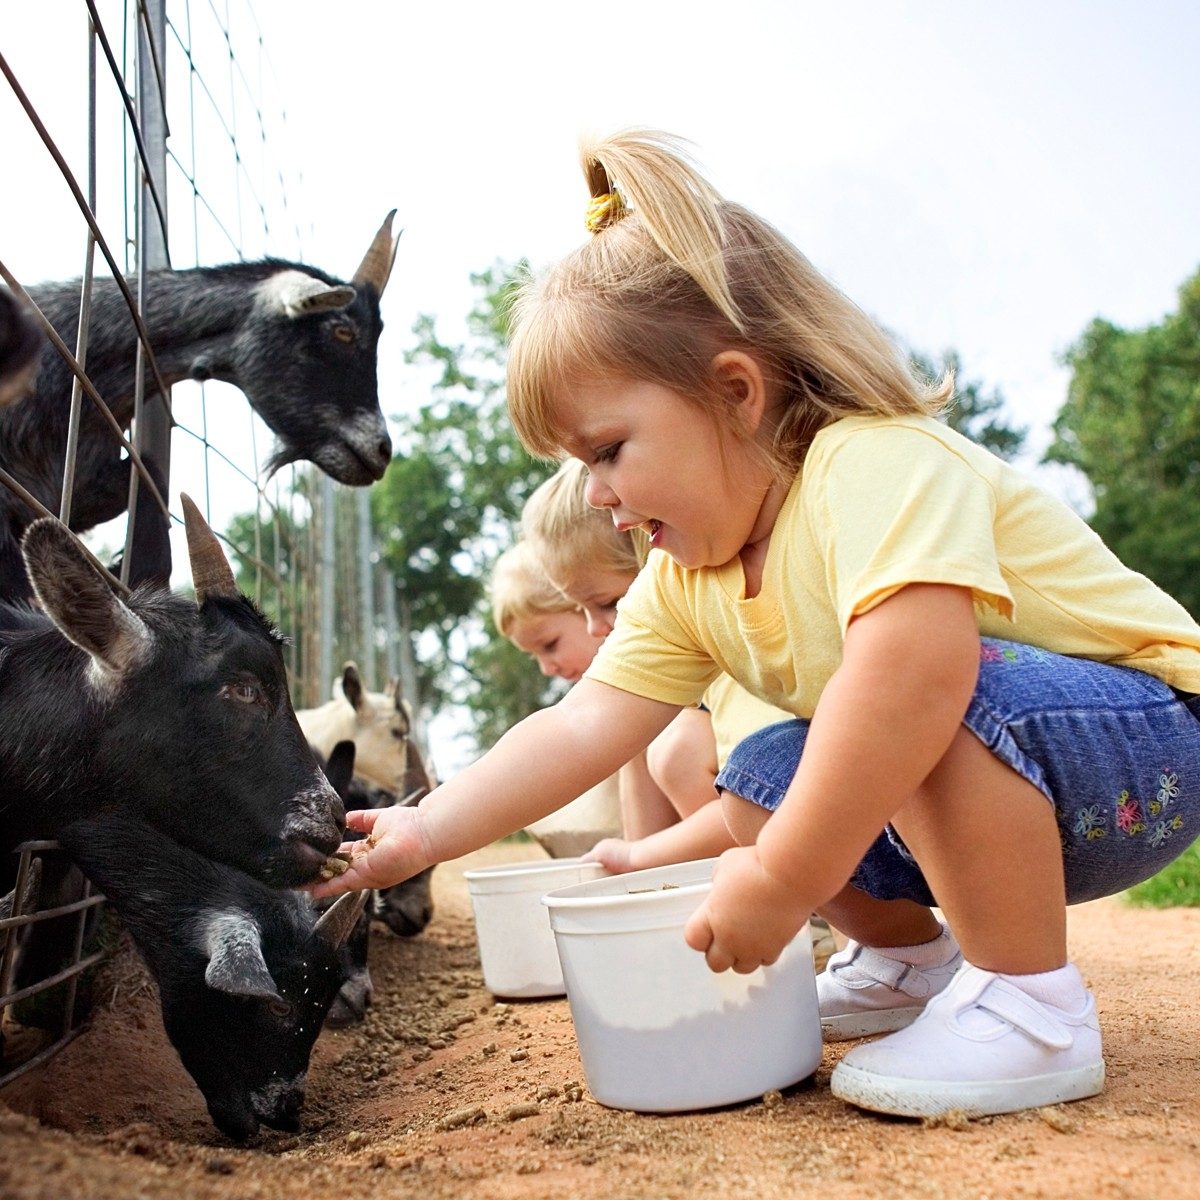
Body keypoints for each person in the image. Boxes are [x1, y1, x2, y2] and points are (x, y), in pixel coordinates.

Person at [315, 130, 1200, 1119]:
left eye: (607, 450)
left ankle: (1034, 1007)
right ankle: (909, 961)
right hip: (1010, 766)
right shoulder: (685, 578)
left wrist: (782, 878)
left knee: (916, 683)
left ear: (736, 394)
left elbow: (915, 674)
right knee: (770, 765)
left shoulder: (874, 463)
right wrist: (421, 833)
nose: (597, 494)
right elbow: (579, 727)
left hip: (1143, 748)